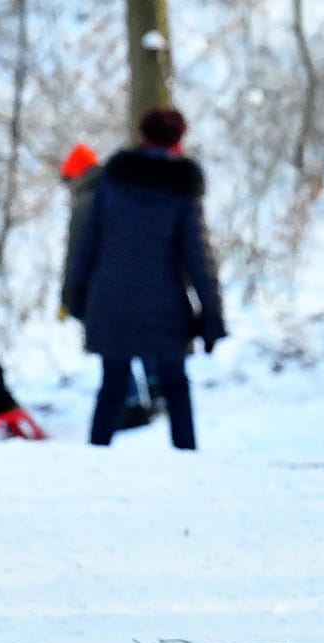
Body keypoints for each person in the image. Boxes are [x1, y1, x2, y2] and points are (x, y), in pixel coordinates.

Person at [63, 108, 225, 450]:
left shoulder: (114, 179)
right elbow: (199, 259)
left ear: (142, 133)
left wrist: (75, 299)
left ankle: (94, 462)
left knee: (112, 387)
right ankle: (187, 461)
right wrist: (212, 316)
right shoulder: (183, 188)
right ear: (179, 139)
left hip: (110, 302)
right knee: (176, 387)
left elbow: (87, 245)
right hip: (164, 308)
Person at [60, 141, 164, 432]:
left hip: (102, 288)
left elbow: (75, 254)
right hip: (139, 280)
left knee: (113, 347)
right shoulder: (124, 190)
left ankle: (130, 405)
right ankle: (157, 390)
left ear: (77, 175)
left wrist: (68, 296)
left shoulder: (85, 202)